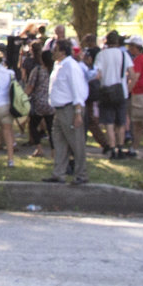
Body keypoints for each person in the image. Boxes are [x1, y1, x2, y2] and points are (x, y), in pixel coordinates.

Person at [45, 38, 91, 184]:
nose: (53, 52)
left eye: (55, 49)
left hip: (70, 108)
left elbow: (77, 89)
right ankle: (58, 173)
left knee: (76, 142)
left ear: (63, 51)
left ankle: (81, 174)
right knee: (59, 141)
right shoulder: (58, 65)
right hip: (59, 110)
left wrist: (78, 112)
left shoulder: (71, 66)